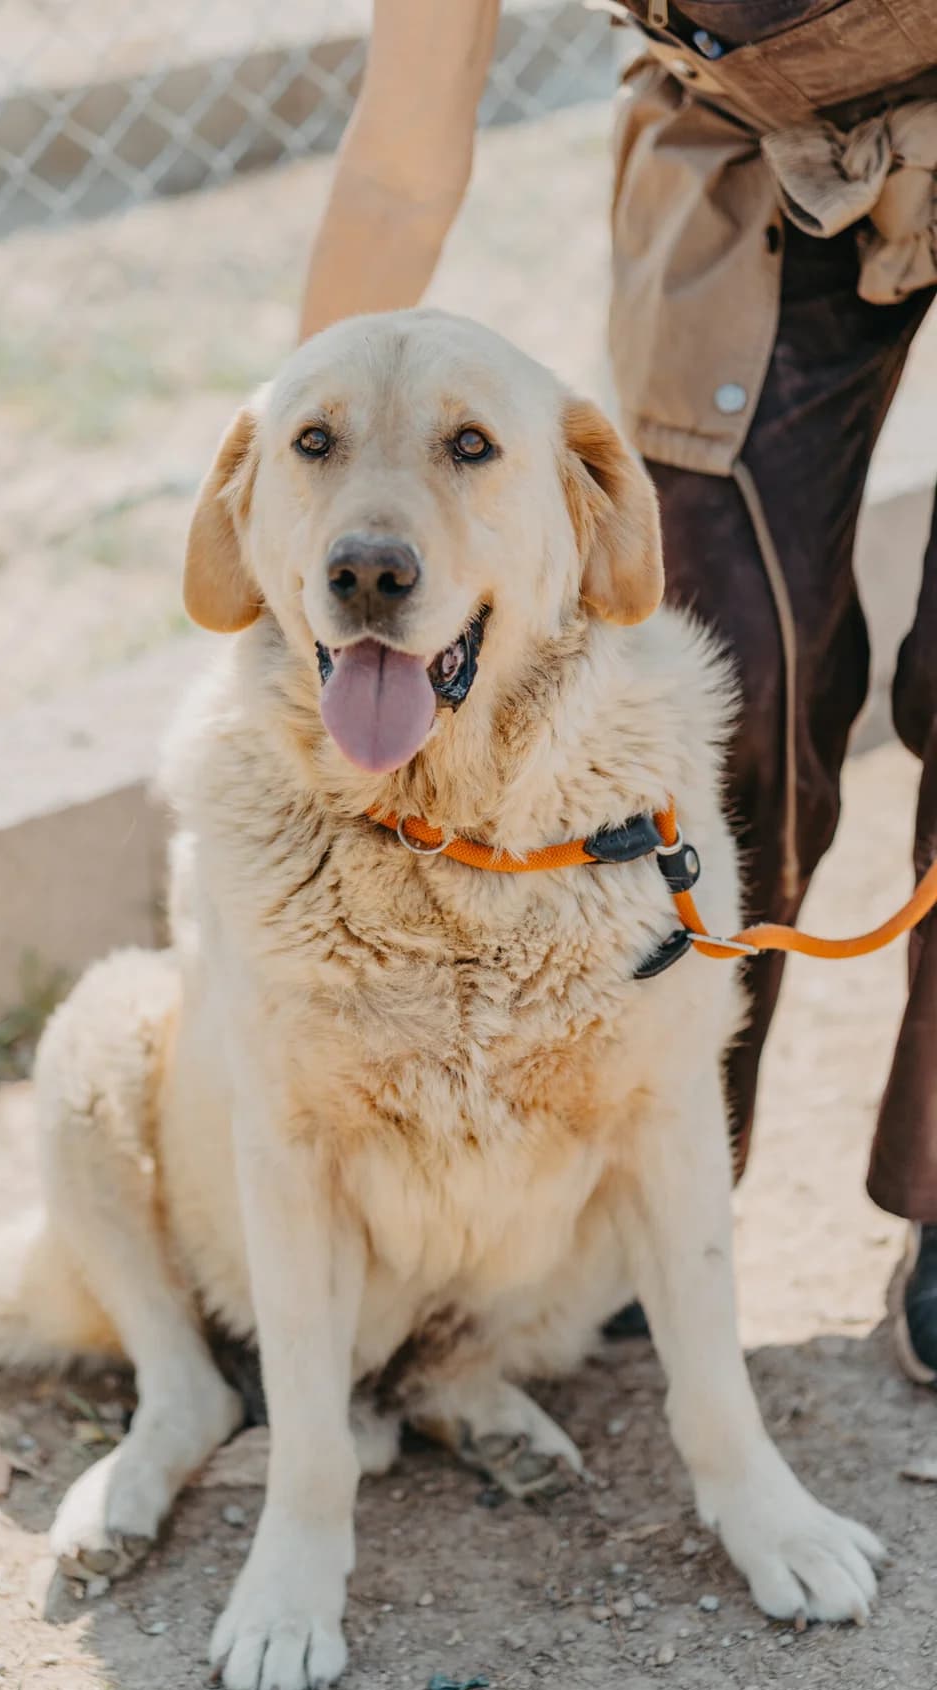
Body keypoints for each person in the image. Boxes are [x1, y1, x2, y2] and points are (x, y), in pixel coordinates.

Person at [299, 0, 937, 1381]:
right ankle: (657, 1186)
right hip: (752, 127)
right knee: (721, 685)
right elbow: (404, 159)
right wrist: (314, 481)